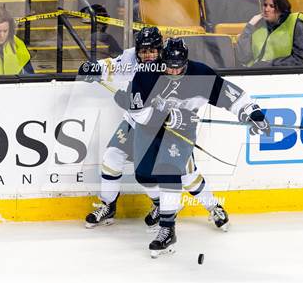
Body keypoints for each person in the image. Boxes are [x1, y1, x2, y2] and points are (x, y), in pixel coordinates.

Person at [128, 37, 270, 258]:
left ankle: (168, 228)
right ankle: (205, 205)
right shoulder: (146, 73)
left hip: (182, 131)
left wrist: (252, 112)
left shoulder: (200, 74)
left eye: (179, 68)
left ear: (186, 62)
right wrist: (167, 116)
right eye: (169, 67)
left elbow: (231, 95)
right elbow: (138, 114)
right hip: (148, 131)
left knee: (170, 172)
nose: (174, 72)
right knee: (146, 175)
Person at [78, 27, 230, 233]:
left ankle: (213, 206)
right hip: (136, 123)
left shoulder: (170, 66)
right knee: (114, 156)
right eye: (143, 51)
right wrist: (92, 68)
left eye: (153, 51)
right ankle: (109, 205)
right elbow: (112, 66)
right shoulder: (132, 59)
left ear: (161, 50)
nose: (148, 55)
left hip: (169, 128)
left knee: (186, 175)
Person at [235, 0, 303, 67]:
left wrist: (271, 64)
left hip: (289, 76)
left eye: (271, 6)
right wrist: (249, 26)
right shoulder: (258, 26)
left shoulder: (296, 24)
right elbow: (243, 57)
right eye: (265, 5)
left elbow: (302, 60)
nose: (266, 9)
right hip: (257, 76)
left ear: (281, 8)